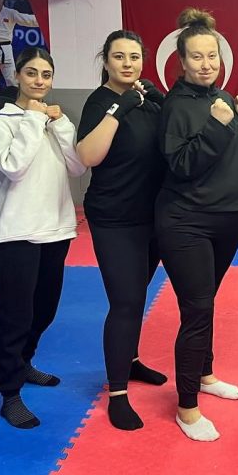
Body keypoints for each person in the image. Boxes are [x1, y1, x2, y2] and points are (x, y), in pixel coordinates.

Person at [156, 8, 238, 441]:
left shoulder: (226, 99)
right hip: (187, 221)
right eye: (196, 57)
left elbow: (237, 151)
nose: (205, 64)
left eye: (211, 55)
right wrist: (218, 123)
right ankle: (187, 407)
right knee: (197, 310)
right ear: (181, 61)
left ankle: (206, 373)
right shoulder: (175, 106)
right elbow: (181, 164)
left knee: (206, 302)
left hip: (228, 218)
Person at [0, 47, 85, 429]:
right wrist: (32, 117)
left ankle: (24, 363)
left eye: (46, 74)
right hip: (16, 232)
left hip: (56, 228)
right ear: (17, 76)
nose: (39, 80)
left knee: (44, 309)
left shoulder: (54, 119)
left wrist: (58, 125)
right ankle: (9, 393)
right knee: (15, 315)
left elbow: (77, 166)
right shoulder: (3, 121)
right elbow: (13, 167)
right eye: (31, 73)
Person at [76, 30, 169, 431]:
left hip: (152, 216)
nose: (128, 64)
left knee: (138, 294)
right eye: (119, 56)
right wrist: (119, 109)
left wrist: (164, 102)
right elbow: (88, 156)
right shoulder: (100, 101)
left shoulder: (148, 100)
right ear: (106, 61)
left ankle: (130, 362)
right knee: (126, 302)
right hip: (114, 218)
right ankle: (117, 393)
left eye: (134, 56)